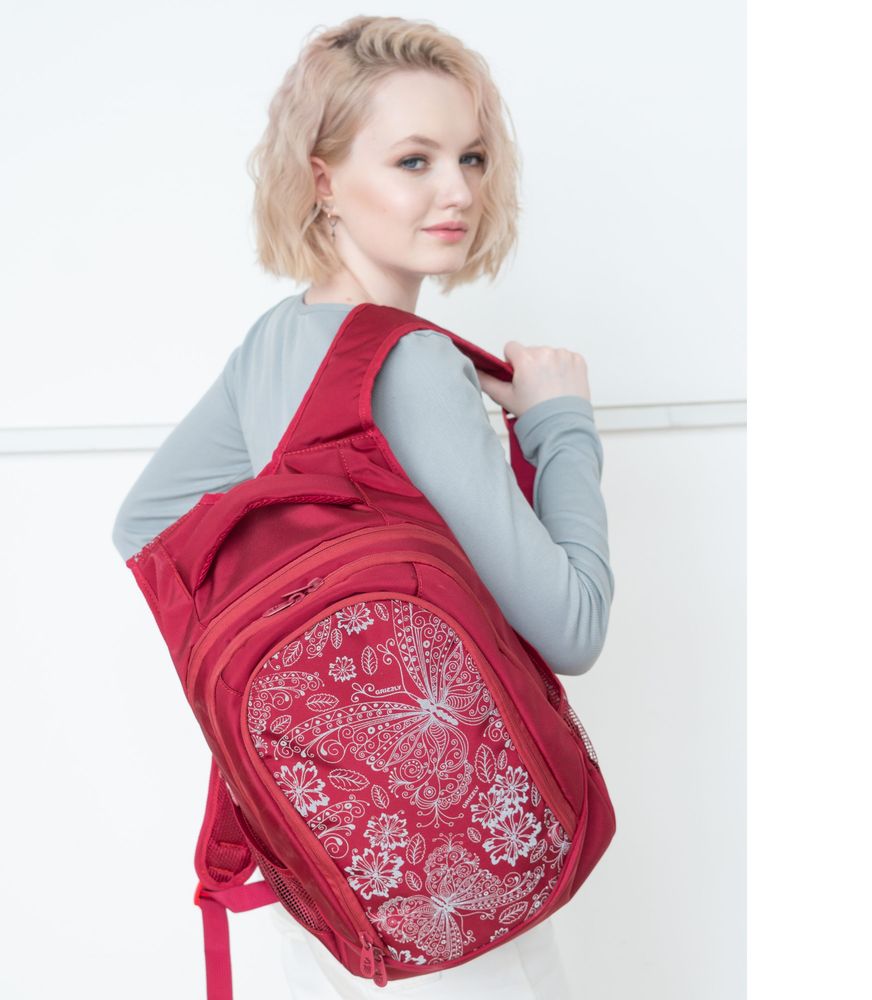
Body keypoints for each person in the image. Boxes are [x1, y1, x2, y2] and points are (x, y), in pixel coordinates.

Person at [112, 15, 614, 999]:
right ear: (324, 180)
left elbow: (147, 526)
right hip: (452, 879)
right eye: (414, 160)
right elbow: (574, 626)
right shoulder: (414, 363)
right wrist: (562, 426)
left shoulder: (275, 338)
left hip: (327, 868)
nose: (457, 190)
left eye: (472, 156)